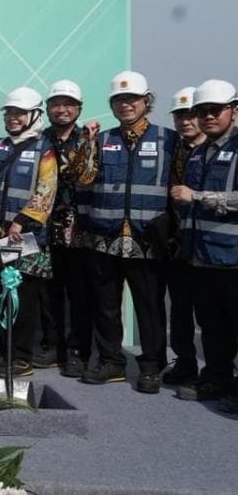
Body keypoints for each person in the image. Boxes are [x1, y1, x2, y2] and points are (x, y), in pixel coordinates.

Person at [70, 70, 177, 393]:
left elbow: (179, 185)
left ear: (146, 101)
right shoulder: (102, 140)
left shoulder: (169, 140)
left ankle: (151, 366)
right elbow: (81, 178)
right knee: (106, 305)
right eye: (118, 100)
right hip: (106, 237)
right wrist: (87, 143)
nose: (125, 105)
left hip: (147, 240)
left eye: (131, 99)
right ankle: (111, 362)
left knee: (149, 306)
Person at [0, 87, 58, 377]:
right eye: (9, 113)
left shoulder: (45, 148)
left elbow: (47, 190)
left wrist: (23, 219)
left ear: (34, 115)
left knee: (22, 298)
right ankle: (3, 352)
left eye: (19, 113)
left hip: (22, 235)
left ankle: (20, 357)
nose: (13, 118)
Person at [172, 79, 238, 410]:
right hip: (202, 257)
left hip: (234, 258)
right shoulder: (199, 154)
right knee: (212, 327)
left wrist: (198, 196)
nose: (208, 116)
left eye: (215, 110)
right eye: (202, 111)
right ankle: (217, 379)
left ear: (234, 110)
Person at [42, 79, 95, 378]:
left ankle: (77, 350)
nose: (61, 110)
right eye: (56, 104)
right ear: (48, 109)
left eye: (68, 105)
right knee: (47, 292)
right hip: (43, 229)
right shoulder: (39, 140)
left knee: (79, 292)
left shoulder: (88, 140)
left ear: (78, 108)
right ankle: (52, 345)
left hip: (78, 230)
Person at [163, 86, 206, 386]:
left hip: (210, 246)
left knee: (211, 313)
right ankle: (185, 362)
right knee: (179, 309)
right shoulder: (172, 149)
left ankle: (218, 370)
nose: (185, 122)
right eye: (180, 116)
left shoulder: (217, 151)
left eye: (191, 116)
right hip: (177, 244)